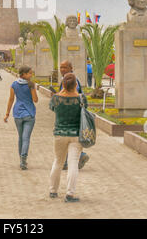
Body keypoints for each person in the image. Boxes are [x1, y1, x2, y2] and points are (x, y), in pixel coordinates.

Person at [49, 72, 88, 202]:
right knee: (73, 164)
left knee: (58, 162)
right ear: (76, 85)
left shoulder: (56, 98)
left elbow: (52, 109)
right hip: (76, 135)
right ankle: (70, 194)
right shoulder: (81, 98)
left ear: (63, 84)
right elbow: (85, 110)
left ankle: (53, 191)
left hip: (59, 134)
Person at [4, 65, 38, 170]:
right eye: (30, 73)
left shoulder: (14, 84)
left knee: (21, 137)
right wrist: (33, 89)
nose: (31, 75)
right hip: (29, 114)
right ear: (23, 74)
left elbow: (11, 99)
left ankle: (21, 160)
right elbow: (35, 100)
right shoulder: (30, 85)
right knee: (26, 138)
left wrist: (7, 114)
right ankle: (23, 160)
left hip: (17, 114)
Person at [59, 60, 89, 170]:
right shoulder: (65, 80)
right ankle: (76, 158)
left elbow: (72, 95)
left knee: (68, 138)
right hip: (67, 116)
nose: (62, 69)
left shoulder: (73, 81)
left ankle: (75, 159)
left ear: (71, 68)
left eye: (65, 67)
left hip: (72, 116)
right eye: (61, 67)